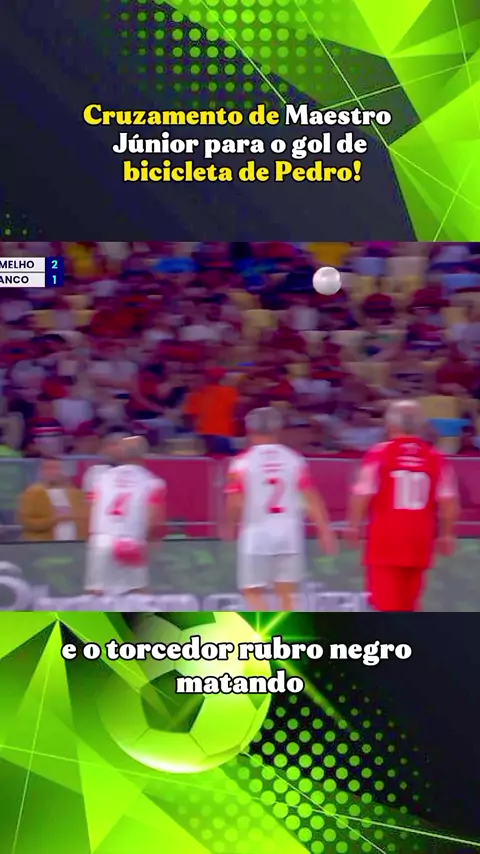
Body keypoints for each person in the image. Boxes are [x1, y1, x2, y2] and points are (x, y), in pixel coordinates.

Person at [346, 400, 459, 611]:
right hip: (420, 540)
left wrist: (353, 525)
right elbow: (448, 499)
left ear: (389, 425)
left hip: (386, 539)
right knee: (410, 603)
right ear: (422, 426)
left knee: (385, 605)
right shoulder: (435, 457)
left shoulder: (379, 453)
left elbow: (362, 493)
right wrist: (447, 534)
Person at [224, 406, 337, 611]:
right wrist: (324, 531)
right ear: (279, 429)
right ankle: (286, 629)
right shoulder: (294, 459)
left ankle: (267, 628)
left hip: (255, 536)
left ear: (249, 430)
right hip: (289, 536)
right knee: (287, 594)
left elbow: (235, 501)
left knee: (252, 591)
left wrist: (230, 525)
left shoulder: (241, 463)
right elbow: (311, 497)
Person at [84, 435, 165, 595]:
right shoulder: (152, 482)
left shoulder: (101, 477)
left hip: (101, 540)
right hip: (131, 541)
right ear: (144, 455)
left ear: (122, 453)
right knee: (137, 593)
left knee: (96, 593)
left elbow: (89, 508)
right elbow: (154, 518)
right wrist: (153, 541)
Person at [17, 457, 88, 541]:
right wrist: (54, 520)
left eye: (55, 468)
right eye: (46, 468)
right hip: (45, 544)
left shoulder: (76, 493)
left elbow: (84, 518)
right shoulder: (32, 493)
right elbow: (26, 522)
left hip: (74, 544)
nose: (50, 472)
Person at [81, 432, 125, 501]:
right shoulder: (96, 471)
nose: (120, 448)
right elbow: (90, 501)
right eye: (115, 444)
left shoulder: (136, 471)